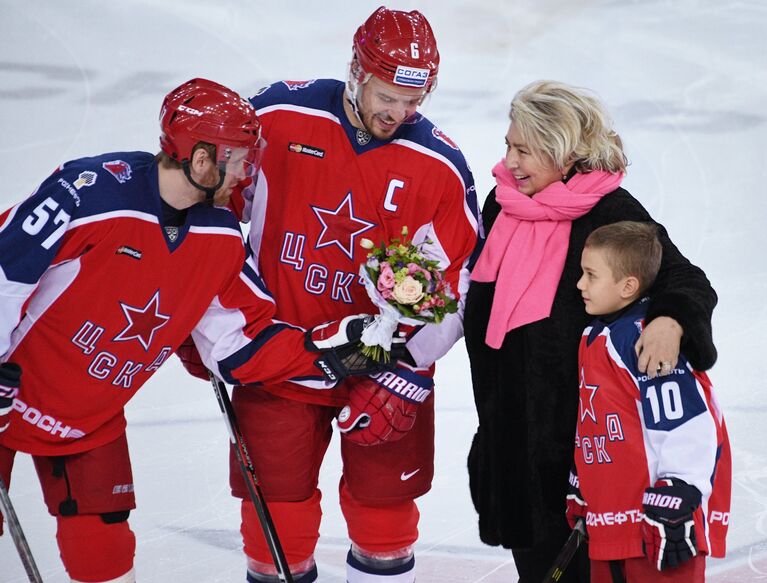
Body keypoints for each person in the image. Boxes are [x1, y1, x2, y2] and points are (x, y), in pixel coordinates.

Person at [0, 78, 379, 583]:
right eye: (241, 160)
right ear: (202, 161)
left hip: (87, 417)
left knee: (105, 551)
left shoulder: (219, 236)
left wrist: (329, 355)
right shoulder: (89, 193)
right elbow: (5, 274)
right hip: (8, 393)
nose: (246, 176)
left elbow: (240, 340)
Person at [180, 7, 479, 582]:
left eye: (413, 102)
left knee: (385, 528)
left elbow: (461, 282)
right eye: (387, 95)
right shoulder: (277, 118)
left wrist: (409, 368)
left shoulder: (439, 165)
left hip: (381, 368)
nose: (399, 114)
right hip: (280, 355)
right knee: (274, 536)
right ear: (356, 71)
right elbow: (205, 215)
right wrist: (203, 323)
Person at [464, 80, 718, 583]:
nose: (509, 162)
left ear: (563, 153)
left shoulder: (610, 211)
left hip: (581, 457)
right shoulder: (503, 204)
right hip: (510, 437)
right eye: (508, 146)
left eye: (524, 150)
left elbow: (686, 278)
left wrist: (670, 319)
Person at [567, 221, 730, 582]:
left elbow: (684, 419)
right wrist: (583, 486)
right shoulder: (595, 335)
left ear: (627, 286)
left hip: (657, 528)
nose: (580, 284)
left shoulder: (643, 339)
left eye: (591, 275)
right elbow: (597, 423)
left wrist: (680, 490)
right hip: (610, 527)